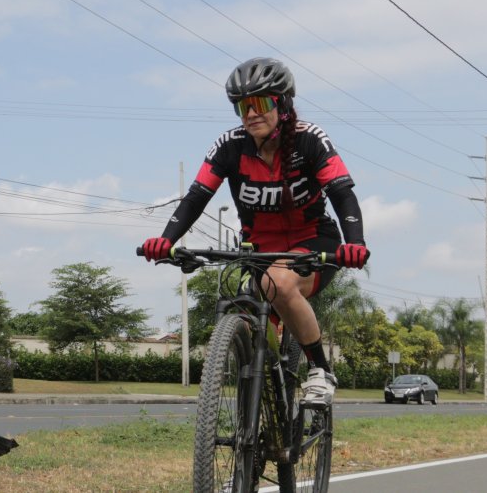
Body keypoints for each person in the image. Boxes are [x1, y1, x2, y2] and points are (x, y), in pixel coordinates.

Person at [141, 57, 370, 407]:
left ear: (282, 104)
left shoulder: (310, 140)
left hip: (312, 244)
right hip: (259, 250)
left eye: (260, 103)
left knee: (277, 282)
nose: (251, 114)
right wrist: (166, 240)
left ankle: (321, 371)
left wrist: (355, 243)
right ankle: (264, 415)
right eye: (242, 106)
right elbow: (197, 196)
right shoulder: (230, 146)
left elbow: (341, 193)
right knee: (247, 319)